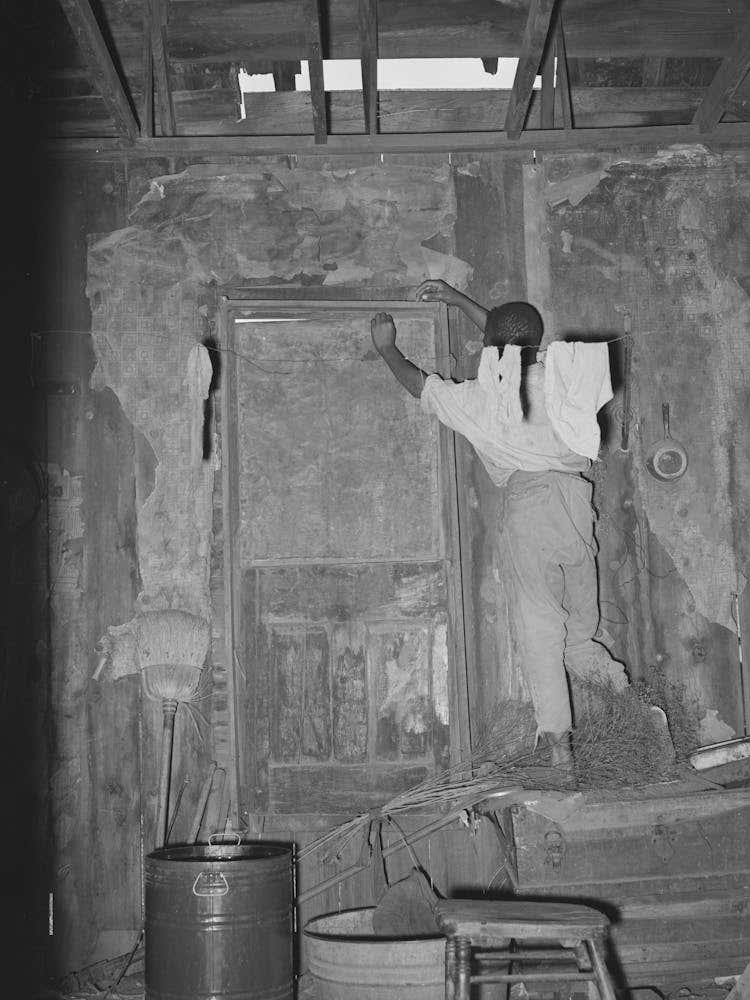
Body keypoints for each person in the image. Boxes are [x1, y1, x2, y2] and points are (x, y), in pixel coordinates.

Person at [370, 279, 628, 767]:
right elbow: (509, 336)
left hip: (529, 505)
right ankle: (632, 706)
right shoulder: (560, 372)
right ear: (538, 339)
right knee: (579, 636)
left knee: (539, 628)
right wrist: (454, 296)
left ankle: (560, 753)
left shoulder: (483, 399)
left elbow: (420, 385)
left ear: (490, 349)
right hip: (576, 502)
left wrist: (388, 349)